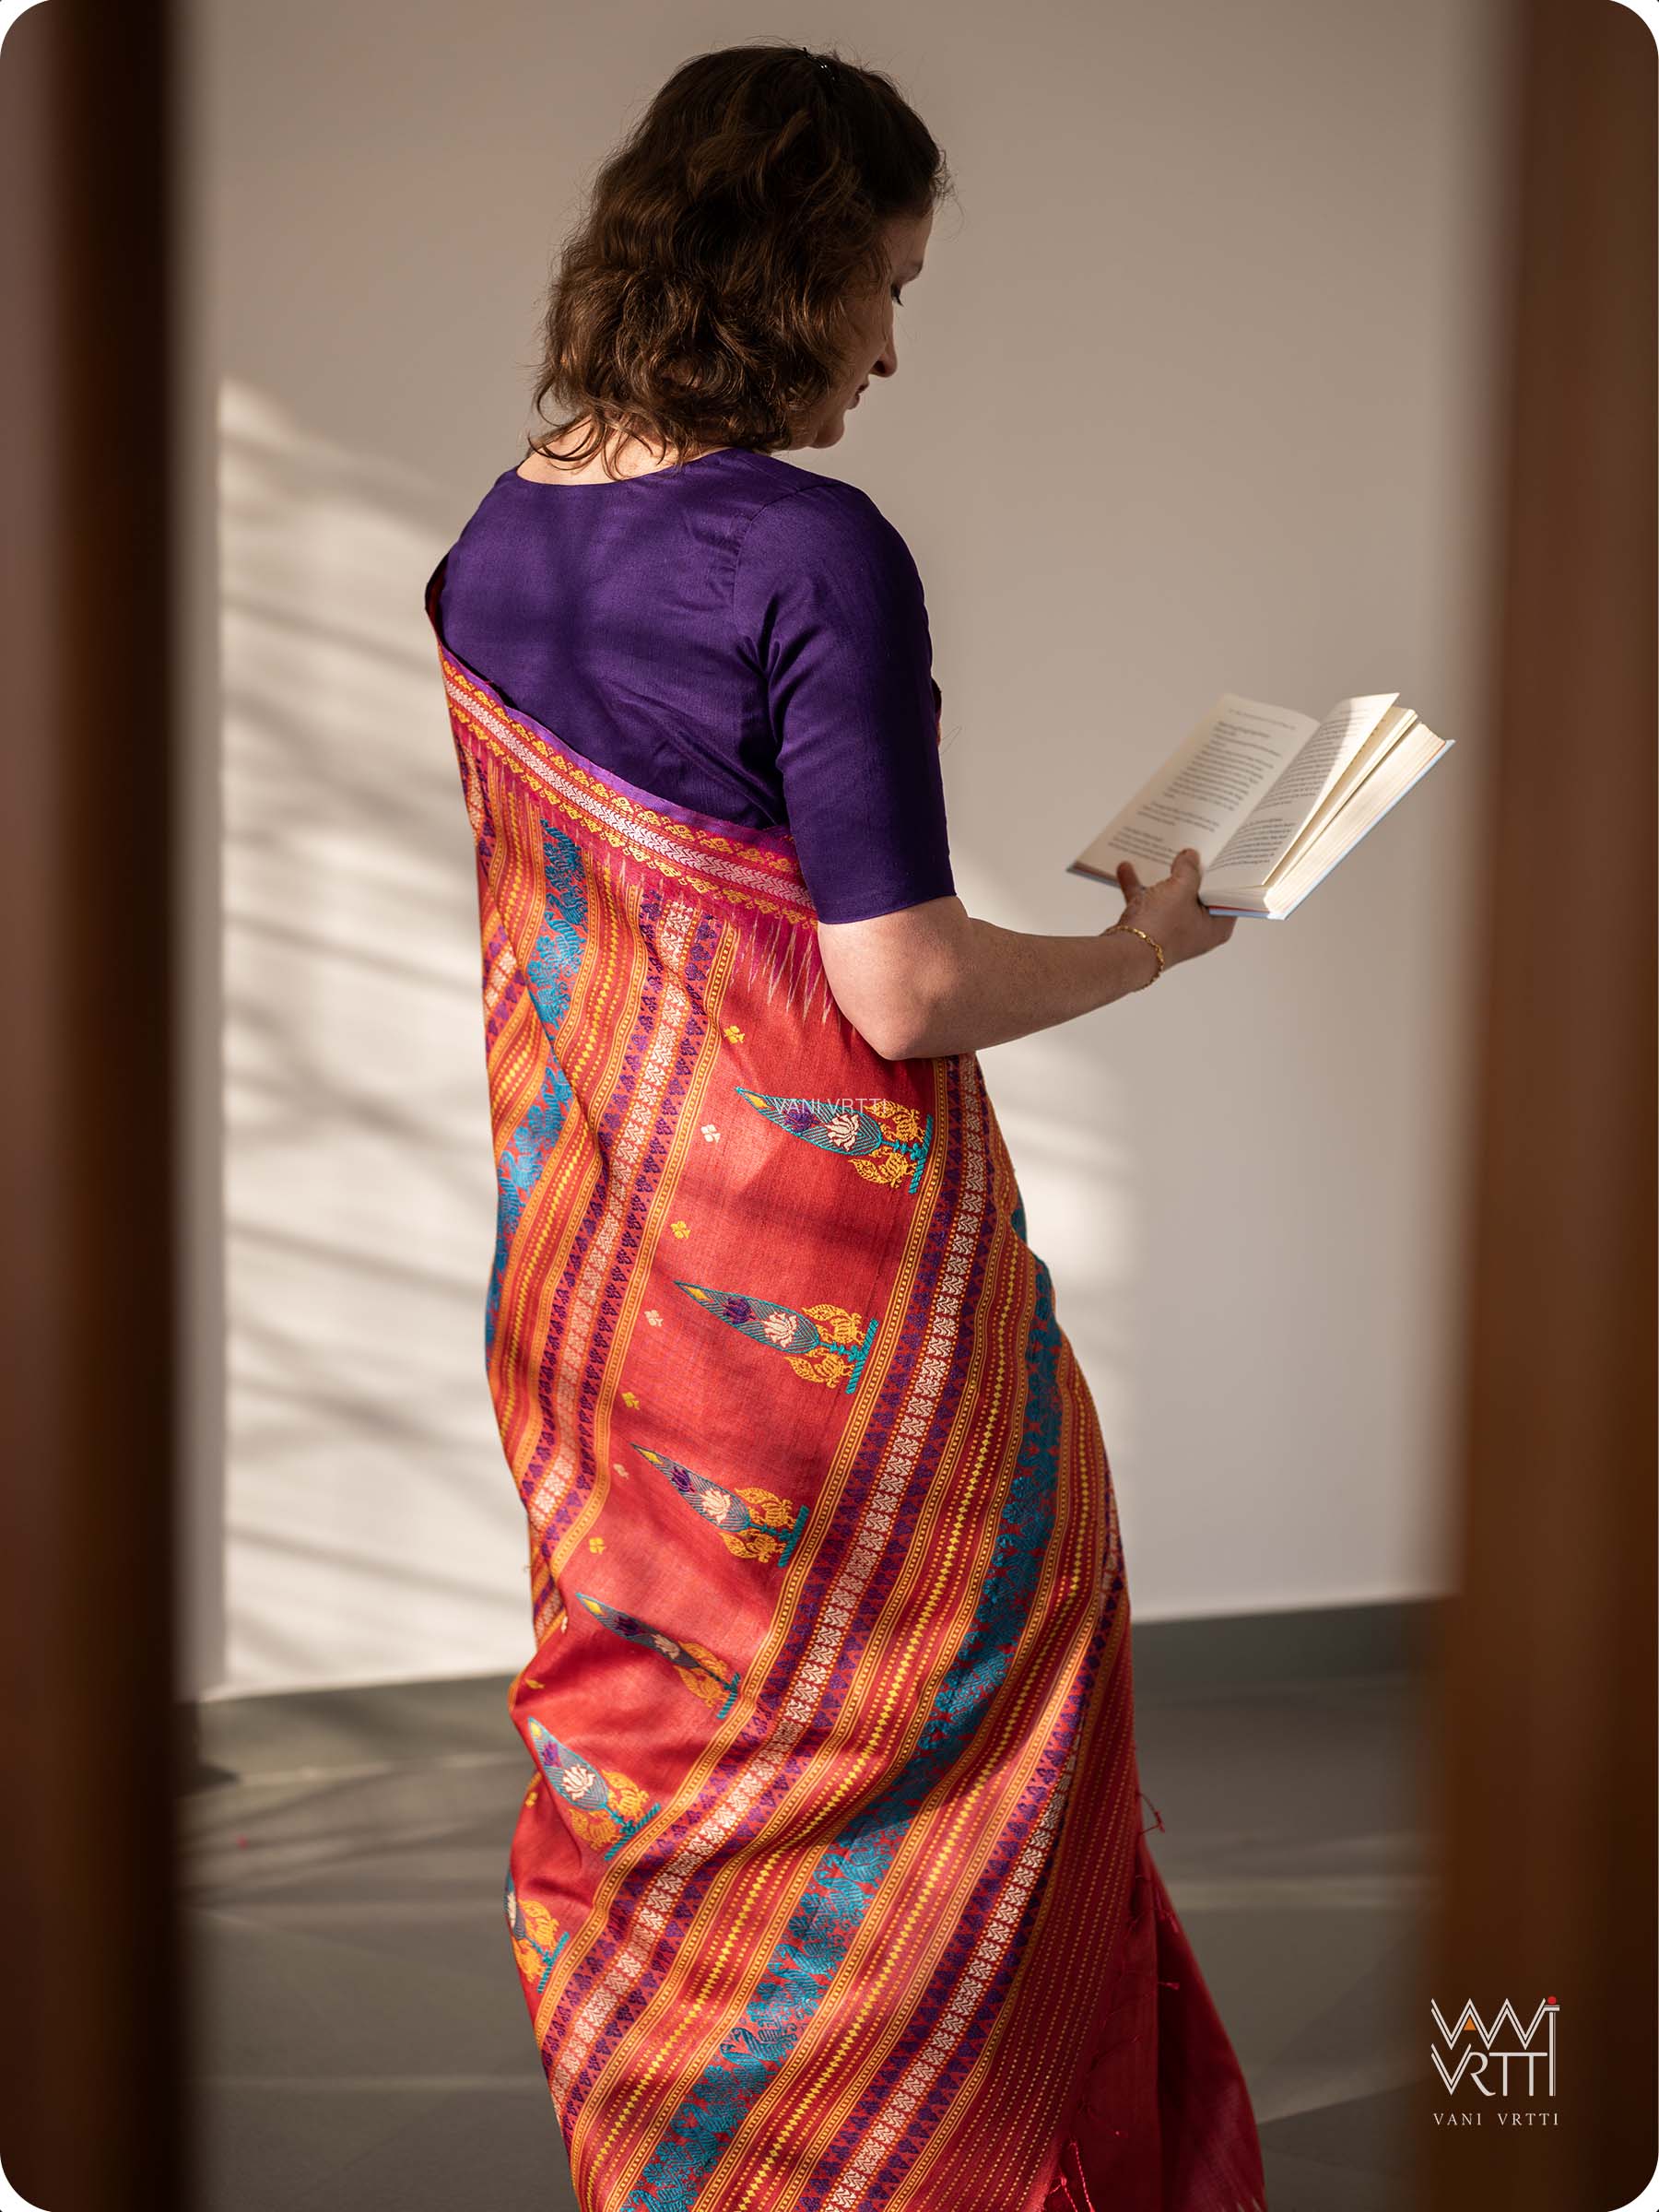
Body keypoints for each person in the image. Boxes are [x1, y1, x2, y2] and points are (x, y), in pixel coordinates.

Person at [424, 40, 1264, 2212]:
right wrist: (1143, 951)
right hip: (843, 1323)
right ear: (785, 270)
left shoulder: (496, 540)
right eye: (883, 283)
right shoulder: (809, 548)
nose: (892, 345)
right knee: (976, 1698)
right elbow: (894, 987)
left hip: (601, 1301)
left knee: (677, 1743)